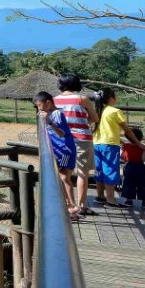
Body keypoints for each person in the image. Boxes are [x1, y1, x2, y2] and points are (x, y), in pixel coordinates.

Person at [53, 73, 100, 215]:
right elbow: (95, 118)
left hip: (63, 140)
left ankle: (68, 204)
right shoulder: (82, 99)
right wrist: (83, 121)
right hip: (82, 139)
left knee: (65, 173)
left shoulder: (54, 100)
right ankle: (82, 206)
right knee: (82, 173)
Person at [92, 88, 145, 207]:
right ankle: (110, 199)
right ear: (111, 98)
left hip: (96, 143)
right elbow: (127, 130)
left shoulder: (98, 110)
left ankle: (100, 196)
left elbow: (106, 129)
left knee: (99, 171)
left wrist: (119, 139)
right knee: (110, 170)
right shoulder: (115, 111)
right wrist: (138, 143)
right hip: (110, 145)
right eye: (115, 95)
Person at [34, 91, 80, 220]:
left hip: (64, 150)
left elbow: (61, 133)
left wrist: (49, 122)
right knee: (61, 177)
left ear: (48, 102)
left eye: (40, 105)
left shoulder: (57, 114)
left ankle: (72, 206)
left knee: (64, 177)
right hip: (58, 150)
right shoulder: (49, 114)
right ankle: (69, 206)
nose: (39, 108)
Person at [120, 128, 145, 210]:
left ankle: (129, 200)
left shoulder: (126, 146)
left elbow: (122, 157)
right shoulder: (142, 147)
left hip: (129, 167)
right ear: (141, 138)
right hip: (140, 167)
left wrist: (122, 150)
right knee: (143, 184)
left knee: (128, 183)